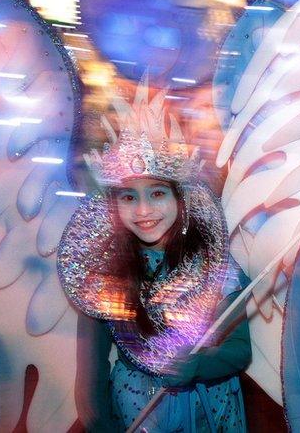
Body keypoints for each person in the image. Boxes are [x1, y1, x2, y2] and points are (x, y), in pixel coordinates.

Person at [57, 91, 250, 432]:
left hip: (211, 411)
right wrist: (102, 424)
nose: (144, 211)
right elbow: (91, 375)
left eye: (157, 193)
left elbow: (239, 350)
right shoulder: (105, 277)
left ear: (181, 198)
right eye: (129, 197)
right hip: (137, 412)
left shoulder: (215, 265)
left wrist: (201, 364)